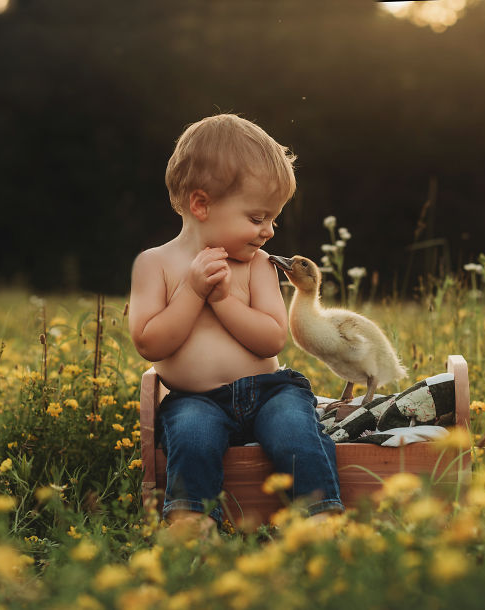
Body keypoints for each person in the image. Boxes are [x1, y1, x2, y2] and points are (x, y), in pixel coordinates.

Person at [128, 114, 343, 534]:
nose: (268, 231)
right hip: (196, 398)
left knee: (296, 432)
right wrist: (192, 292)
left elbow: (271, 340)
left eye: (273, 219)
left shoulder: (258, 265)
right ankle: (191, 520)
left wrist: (223, 301)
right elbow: (150, 344)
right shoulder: (155, 264)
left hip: (269, 392)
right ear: (201, 204)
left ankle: (319, 517)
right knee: (191, 437)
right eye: (257, 217)